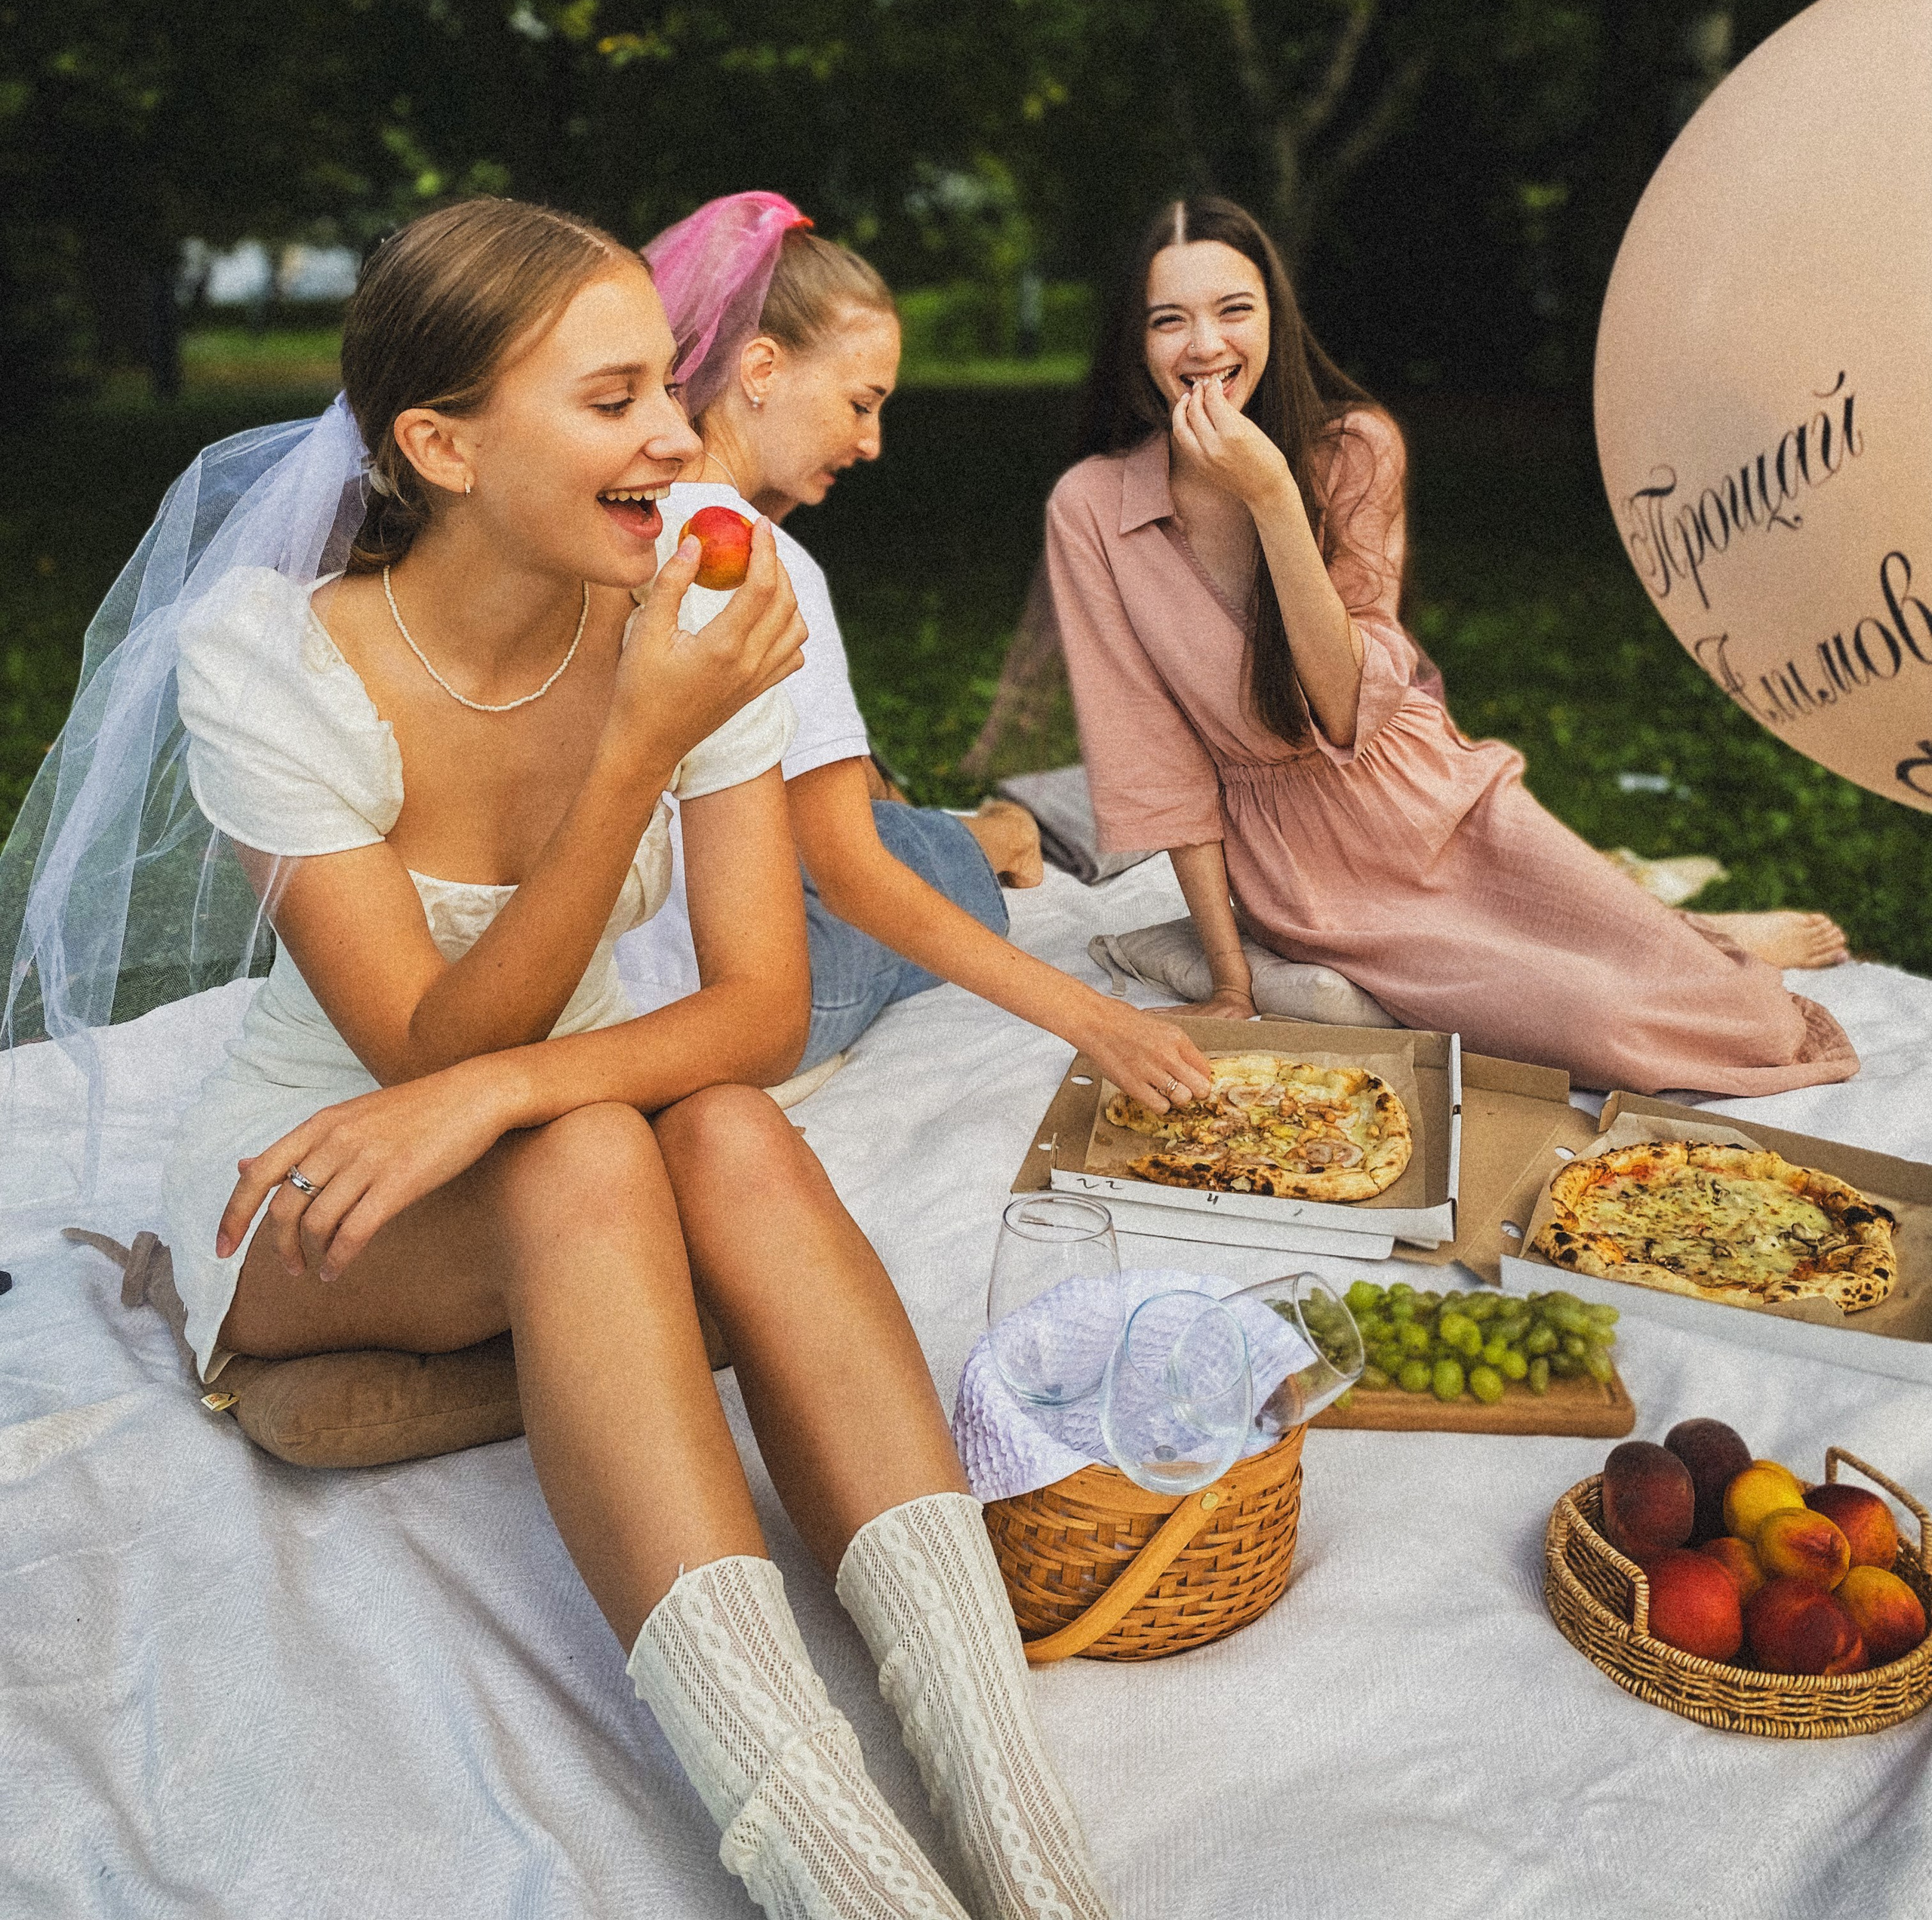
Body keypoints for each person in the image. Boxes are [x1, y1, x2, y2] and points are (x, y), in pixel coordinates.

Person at [5, 197, 1113, 1920]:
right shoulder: (274, 657)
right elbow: (421, 1045)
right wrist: (633, 752)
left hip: (562, 1120)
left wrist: (511, 1085)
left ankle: (1020, 1821)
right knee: (618, 1154)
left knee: (730, 1130)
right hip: (324, 1181)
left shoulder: (705, 596)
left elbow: (751, 1003)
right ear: (439, 442)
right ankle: (824, 1856)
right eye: (614, 402)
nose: (677, 433)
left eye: (663, 390)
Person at [1043, 194, 1857, 1100]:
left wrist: (1274, 495)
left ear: (1274, 317)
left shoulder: (1354, 448)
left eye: (1234, 309)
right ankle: (1674, 936)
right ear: (1135, 341)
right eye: (1170, 320)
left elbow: (1347, 704)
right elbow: (1152, 765)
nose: (1204, 346)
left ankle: (1699, 935)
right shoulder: (1092, 508)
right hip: (1309, 873)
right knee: (1599, 1023)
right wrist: (1231, 982)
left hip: (1431, 799)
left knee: (1743, 1021)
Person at [623, 190, 1218, 1118]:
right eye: (861, 403)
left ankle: (980, 828)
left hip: (619, 971)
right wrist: (1096, 1019)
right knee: (922, 859)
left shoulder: (613, 523)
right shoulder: (764, 566)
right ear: (762, 367)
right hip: (723, 1003)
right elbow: (853, 874)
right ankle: (998, 836)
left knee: (863, 813)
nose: (871, 442)